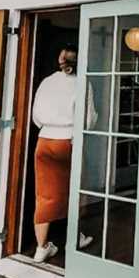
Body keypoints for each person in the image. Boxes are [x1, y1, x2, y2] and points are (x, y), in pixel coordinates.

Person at [31, 46, 95, 263]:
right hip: (68, 140)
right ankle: (75, 239)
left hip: (44, 140)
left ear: (59, 60)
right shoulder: (82, 83)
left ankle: (41, 248)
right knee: (73, 190)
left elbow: (36, 116)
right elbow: (88, 119)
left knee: (45, 194)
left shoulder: (47, 82)